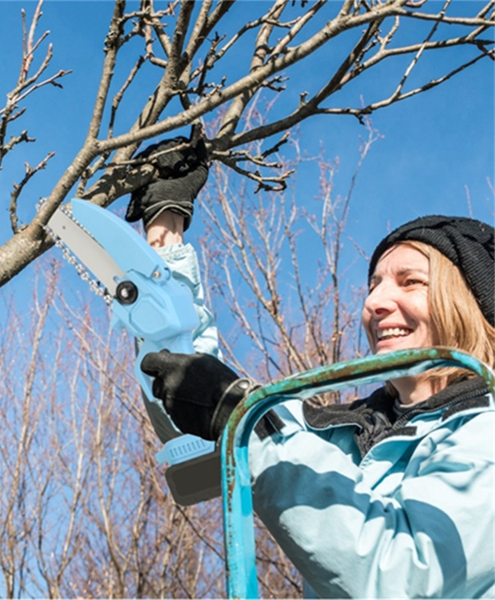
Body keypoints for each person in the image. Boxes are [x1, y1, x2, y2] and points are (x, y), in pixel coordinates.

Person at [127, 137, 495, 598]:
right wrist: (165, 236)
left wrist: (244, 418)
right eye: (374, 285)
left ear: (469, 305)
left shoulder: (487, 432)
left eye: (410, 282)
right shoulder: (342, 434)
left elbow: (401, 579)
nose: (375, 302)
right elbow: (185, 393)